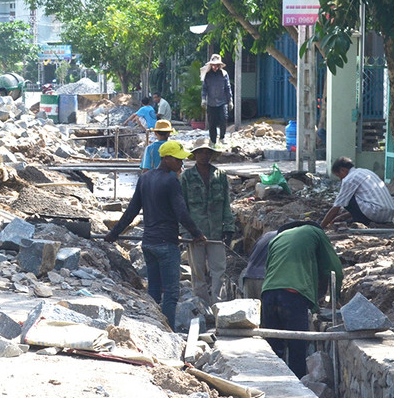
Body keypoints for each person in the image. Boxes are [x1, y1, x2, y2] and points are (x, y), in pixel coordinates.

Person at [104, 141, 206, 330]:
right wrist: (197, 234)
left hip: (148, 244)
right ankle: (167, 331)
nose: (181, 165)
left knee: (153, 290)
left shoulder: (145, 178)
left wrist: (114, 233)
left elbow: (132, 210)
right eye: (178, 160)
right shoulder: (171, 180)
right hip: (166, 244)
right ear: (166, 159)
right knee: (171, 293)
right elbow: (181, 213)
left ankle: (150, 327)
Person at [261, 221, 343, 378]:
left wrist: (313, 304)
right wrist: (335, 298)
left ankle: (272, 386)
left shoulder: (277, 238)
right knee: (297, 347)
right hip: (292, 295)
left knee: (274, 348)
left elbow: (271, 269)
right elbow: (335, 268)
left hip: (268, 293)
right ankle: (296, 389)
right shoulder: (316, 233)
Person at [180, 138, 236, 307]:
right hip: (195, 233)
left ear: (211, 154)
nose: (204, 155)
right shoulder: (187, 177)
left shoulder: (220, 176)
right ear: (195, 154)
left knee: (219, 270)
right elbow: (182, 207)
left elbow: (226, 203)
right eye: (200, 152)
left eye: (207, 152)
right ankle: (202, 306)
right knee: (198, 273)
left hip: (217, 233)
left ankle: (218, 305)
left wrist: (229, 227)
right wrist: (184, 232)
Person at [320, 157, 394, 228]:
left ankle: (363, 220)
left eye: (338, 175)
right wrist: (343, 216)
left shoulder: (349, 179)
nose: (340, 179)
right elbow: (368, 201)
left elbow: (337, 206)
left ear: (343, 170)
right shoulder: (366, 171)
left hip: (377, 214)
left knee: (346, 198)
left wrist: (322, 226)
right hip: (389, 214)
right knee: (349, 197)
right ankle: (360, 218)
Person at [201, 54, 233, 145]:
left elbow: (228, 88)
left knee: (223, 119)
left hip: (222, 102)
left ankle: (222, 137)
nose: (215, 67)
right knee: (212, 123)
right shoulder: (207, 75)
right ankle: (213, 141)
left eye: (216, 65)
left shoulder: (224, 74)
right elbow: (204, 88)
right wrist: (203, 99)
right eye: (213, 65)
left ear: (219, 65)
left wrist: (230, 100)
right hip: (211, 103)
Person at [241, 229, 277, 299]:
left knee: (251, 309)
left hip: (248, 276)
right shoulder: (285, 239)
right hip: (265, 280)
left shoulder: (267, 235)